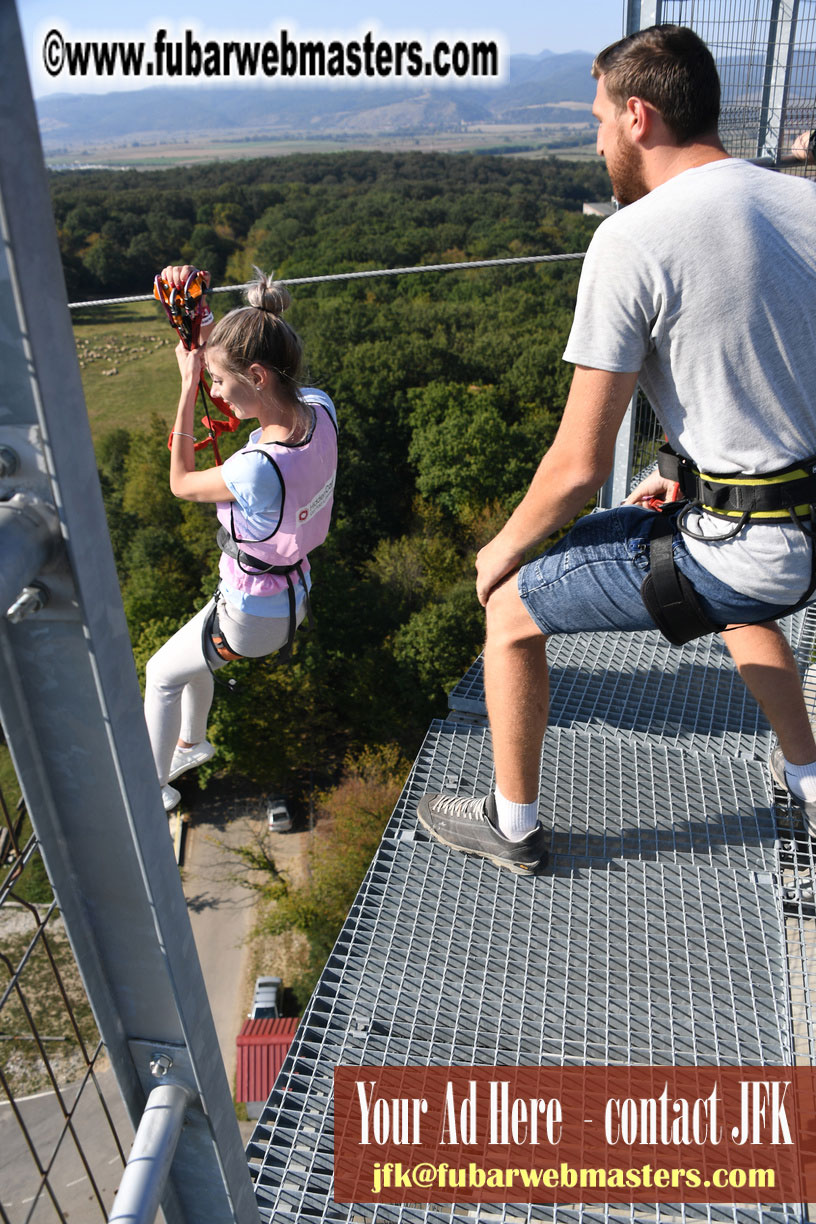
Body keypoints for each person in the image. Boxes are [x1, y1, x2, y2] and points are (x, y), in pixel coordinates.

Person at [416, 24, 816, 874]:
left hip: (755, 551)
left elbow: (576, 471)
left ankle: (512, 825)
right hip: (803, 527)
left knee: (512, 609)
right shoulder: (800, 201)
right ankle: (811, 772)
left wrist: (502, 549)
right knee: (740, 589)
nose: (597, 142)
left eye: (600, 121)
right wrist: (691, 476)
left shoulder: (632, 239)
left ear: (639, 116)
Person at [144, 264, 338, 812]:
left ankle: (151, 790)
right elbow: (259, 357)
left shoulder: (255, 468)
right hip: (289, 594)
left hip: (254, 617)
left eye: (221, 383)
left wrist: (186, 386)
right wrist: (201, 338)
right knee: (192, 658)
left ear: (257, 376)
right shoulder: (321, 410)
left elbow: (181, 481)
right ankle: (191, 740)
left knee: (161, 675)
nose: (218, 395)